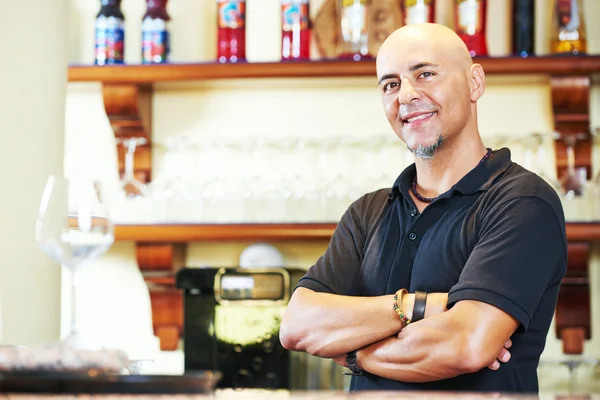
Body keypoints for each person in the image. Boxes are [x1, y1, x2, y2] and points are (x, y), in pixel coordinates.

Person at [279, 23, 567, 393]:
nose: (406, 96)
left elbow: (464, 345)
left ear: (475, 82)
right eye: (390, 85)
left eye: (425, 74)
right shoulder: (367, 213)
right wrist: (416, 307)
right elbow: (297, 325)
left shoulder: (522, 202)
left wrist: (353, 354)